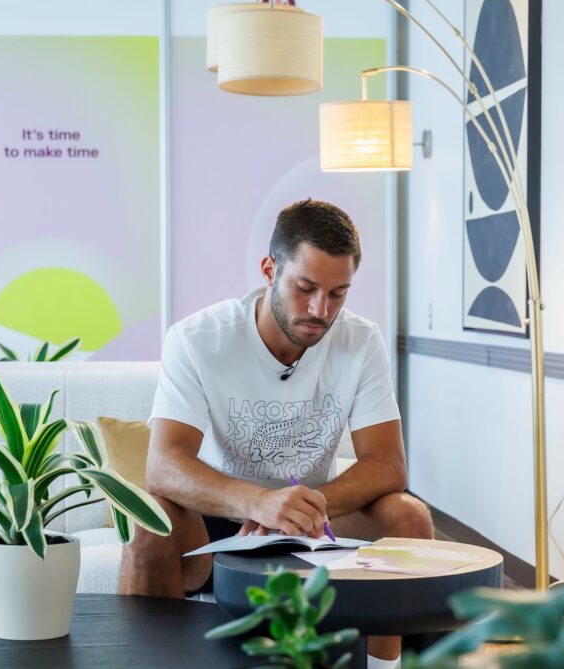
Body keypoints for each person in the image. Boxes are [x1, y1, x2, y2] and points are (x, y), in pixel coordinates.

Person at [121, 198, 433, 668]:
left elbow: (388, 465)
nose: (319, 310)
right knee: (150, 530)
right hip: (220, 513)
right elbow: (163, 466)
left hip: (316, 514)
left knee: (409, 519)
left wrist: (306, 506)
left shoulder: (360, 340)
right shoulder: (198, 339)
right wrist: (257, 502)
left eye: (337, 294)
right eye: (305, 287)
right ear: (270, 269)